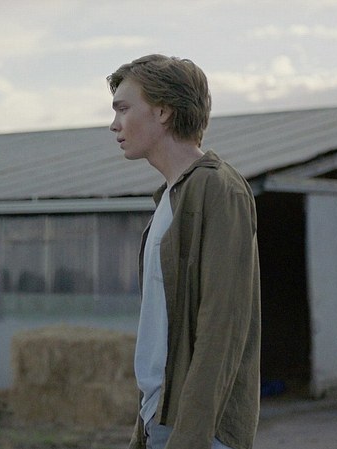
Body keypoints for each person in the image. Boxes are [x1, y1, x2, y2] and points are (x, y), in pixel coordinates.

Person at [107, 54, 261, 449]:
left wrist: (190, 436)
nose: (114, 124)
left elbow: (222, 324)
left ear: (162, 111)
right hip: (161, 420)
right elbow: (163, 331)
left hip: (198, 431)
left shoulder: (218, 188)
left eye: (124, 109)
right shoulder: (169, 197)